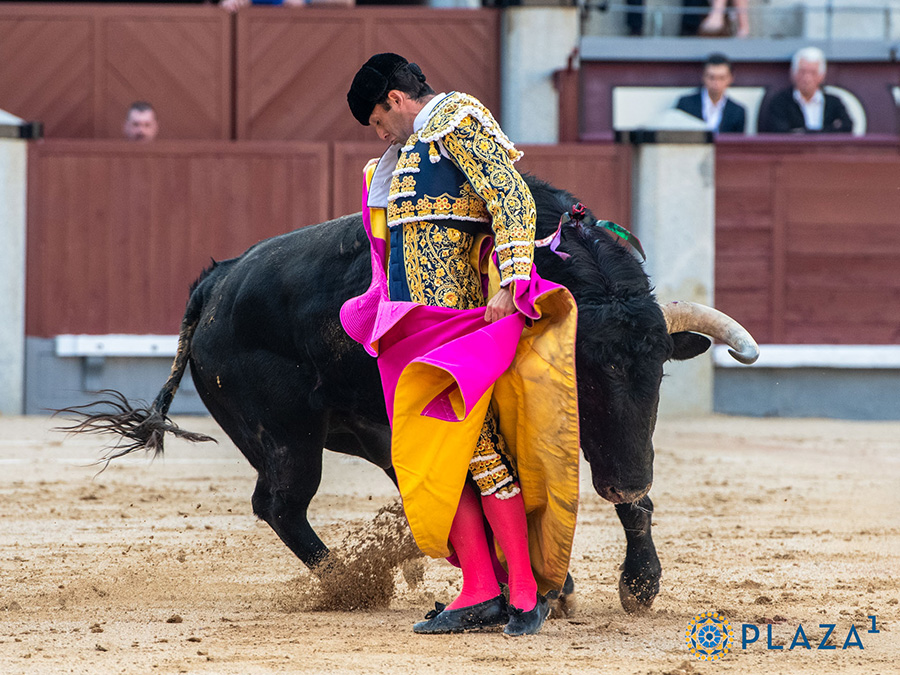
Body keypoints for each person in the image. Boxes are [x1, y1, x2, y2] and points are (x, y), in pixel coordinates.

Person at [341, 54, 579, 636]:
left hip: (455, 322)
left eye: (378, 120)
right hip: (410, 328)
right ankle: (479, 587)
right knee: (439, 456)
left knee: (479, 450)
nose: (379, 134)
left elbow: (511, 196)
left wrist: (514, 279)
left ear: (397, 99)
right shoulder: (401, 157)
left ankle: (520, 591)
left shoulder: (457, 120)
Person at [758, 47, 854, 134]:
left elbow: (847, 127)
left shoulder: (834, 102)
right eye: (802, 72)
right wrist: (827, 130)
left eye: (813, 73)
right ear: (793, 73)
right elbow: (780, 132)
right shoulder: (780, 102)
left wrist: (802, 132)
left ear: (822, 76)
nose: (807, 78)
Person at [675, 53, 746, 133]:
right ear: (703, 77)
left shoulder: (737, 111)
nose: (716, 83)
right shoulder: (686, 104)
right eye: (711, 78)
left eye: (721, 78)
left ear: (730, 78)